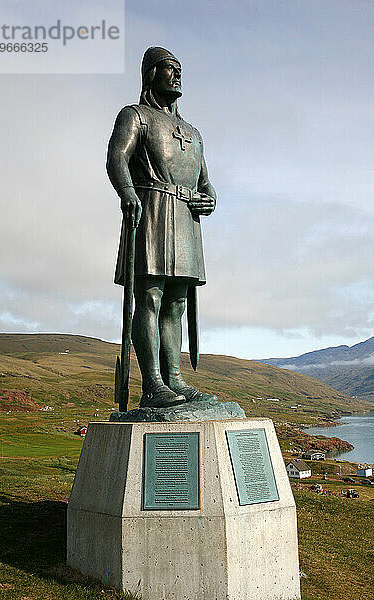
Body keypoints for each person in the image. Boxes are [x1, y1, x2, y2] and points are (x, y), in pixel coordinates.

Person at [107, 47, 217, 408]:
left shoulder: (193, 132)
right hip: (151, 210)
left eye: (179, 69)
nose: (176, 75)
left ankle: (175, 379)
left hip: (186, 219)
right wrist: (126, 191)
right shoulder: (135, 116)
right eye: (169, 69)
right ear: (151, 73)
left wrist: (210, 198)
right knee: (150, 297)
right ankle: (152, 383)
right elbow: (116, 158)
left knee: (176, 304)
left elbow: (206, 181)